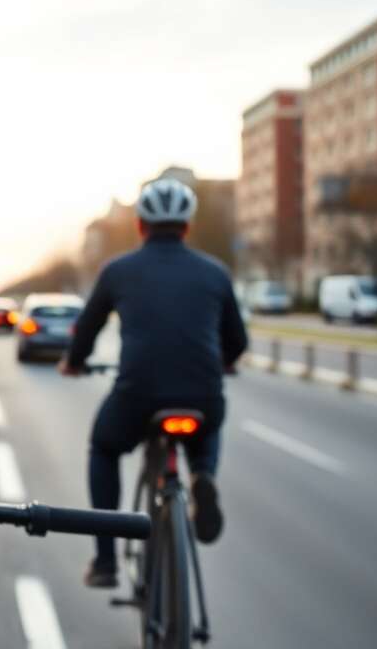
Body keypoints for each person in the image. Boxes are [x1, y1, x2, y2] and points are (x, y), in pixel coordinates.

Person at [60, 177, 247, 589]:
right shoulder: (215, 272)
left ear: (140, 226)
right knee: (209, 419)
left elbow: (87, 330)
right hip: (201, 393)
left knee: (104, 448)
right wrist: (226, 362)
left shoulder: (117, 271)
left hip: (138, 394)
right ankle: (202, 475)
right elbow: (238, 341)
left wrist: (73, 363)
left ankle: (106, 561)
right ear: (188, 226)